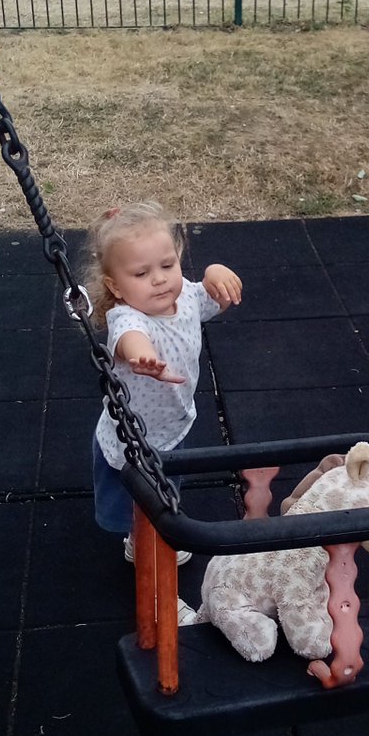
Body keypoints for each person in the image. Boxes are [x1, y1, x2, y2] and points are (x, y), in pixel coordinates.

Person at [88, 200, 242, 563]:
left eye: (167, 265)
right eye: (141, 274)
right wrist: (143, 357)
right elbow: (129, 341)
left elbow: (214, 300)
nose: (158, 279)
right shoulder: (126, 317)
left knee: (166, 484)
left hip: (172, 424)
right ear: (116, 287)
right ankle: (139, 544)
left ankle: (150, 532)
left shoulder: (184, 294)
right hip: (132, 438)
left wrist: (217, 273)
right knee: (138, 500)